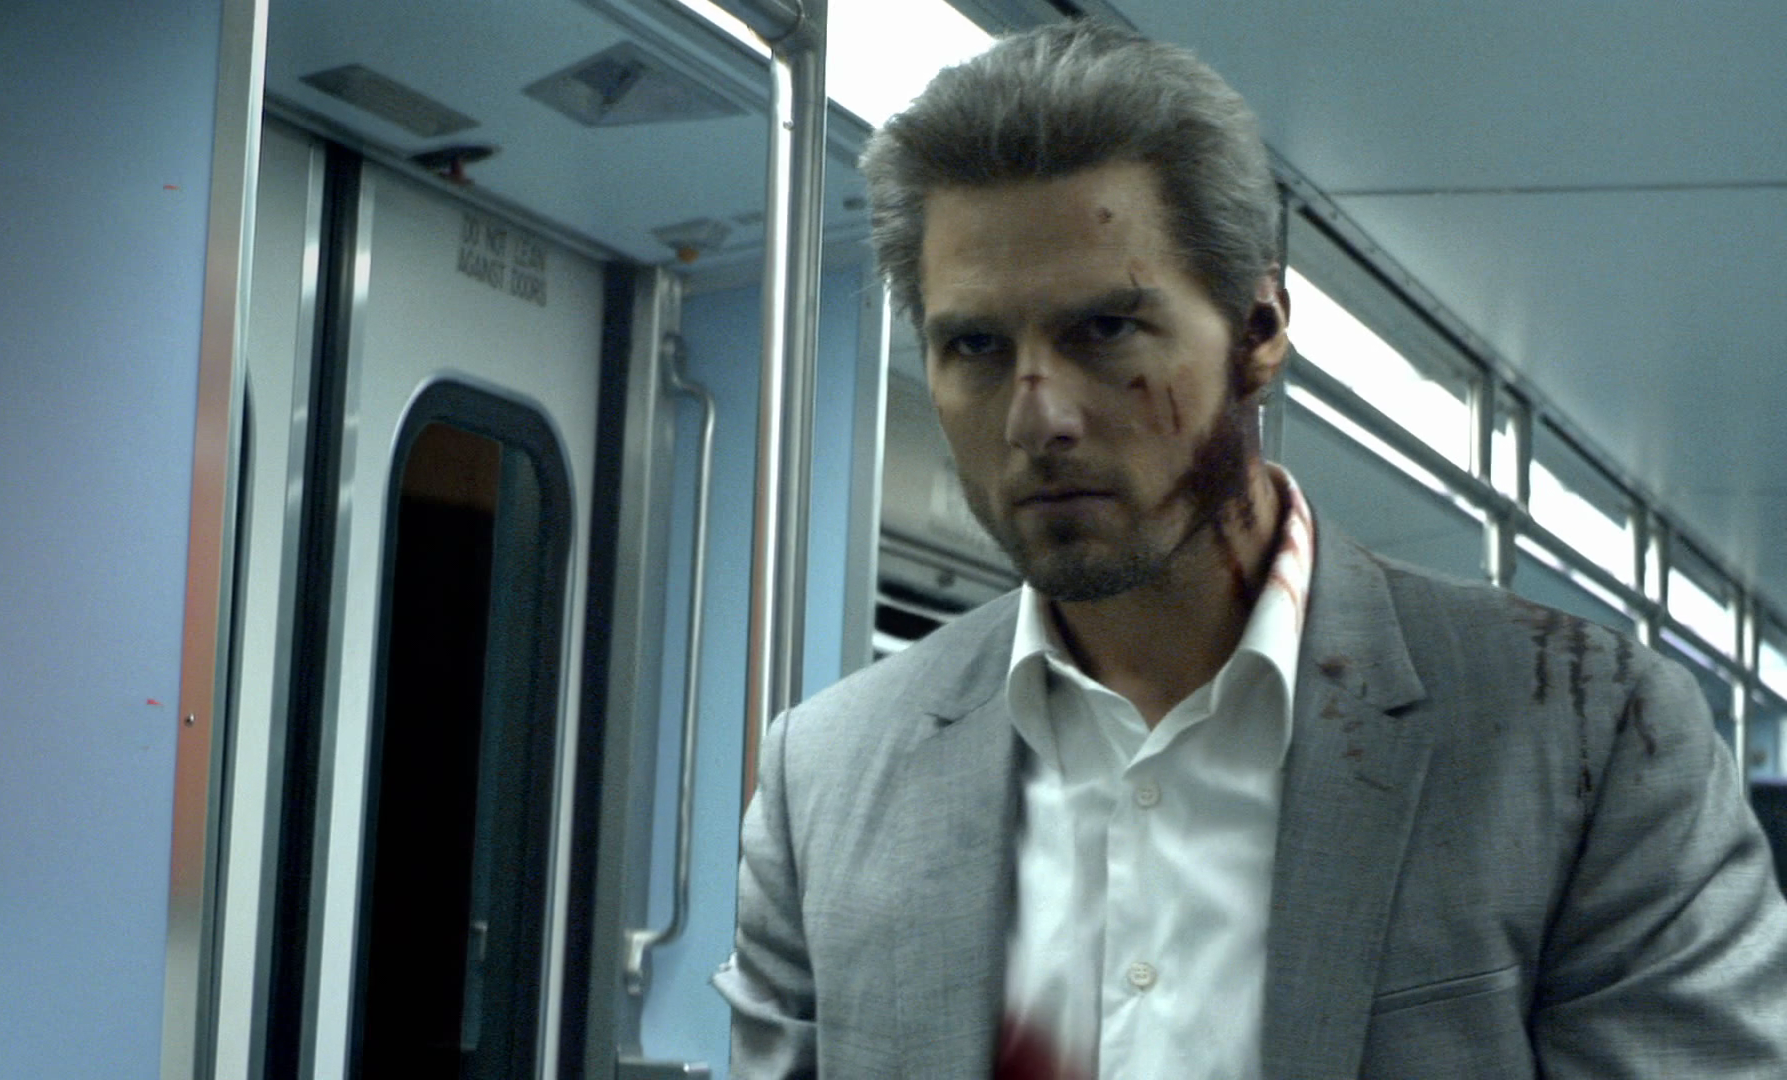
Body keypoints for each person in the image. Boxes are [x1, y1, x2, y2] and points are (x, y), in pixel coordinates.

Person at [712, 20, 1787, 1078]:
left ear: (1261, 331)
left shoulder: (1589, 737)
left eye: (1105, 330)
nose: (1037, 419)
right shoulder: (827, 778)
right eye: (976, 345)